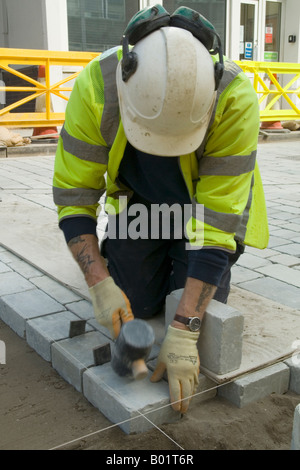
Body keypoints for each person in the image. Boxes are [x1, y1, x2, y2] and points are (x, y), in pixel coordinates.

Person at [53, 5, 269, 414]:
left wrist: (186, 327)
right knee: (134, 300)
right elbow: (73, 194)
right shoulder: (97, 87)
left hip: (203, 212)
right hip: (143, 207)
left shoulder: (234, 97)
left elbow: (219, 217)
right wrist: (99, 283)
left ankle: (184, 268)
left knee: (188, 306)